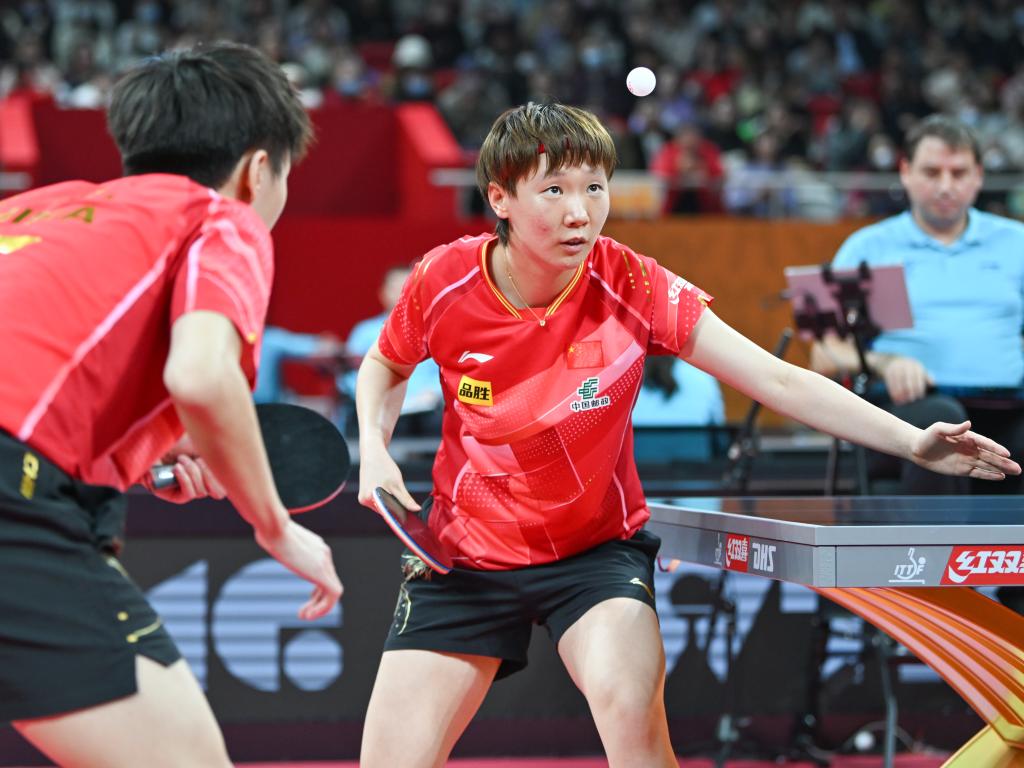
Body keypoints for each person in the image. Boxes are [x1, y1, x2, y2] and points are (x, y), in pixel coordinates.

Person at [354, 102, 1018, 768]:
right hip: (464, 559)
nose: (579, 212)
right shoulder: (444, 279)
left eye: (594, 188)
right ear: (500, 197)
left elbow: (778, 379)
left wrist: (911, 440)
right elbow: (386, 365)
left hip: (592, 557)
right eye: (553, 190)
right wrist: (375, 451)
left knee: (632, 718)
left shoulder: (632, 283)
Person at [0, 42, 342, 767]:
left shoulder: (30, 209)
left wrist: (153, 446)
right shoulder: (220, 218)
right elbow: (202, 377)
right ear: (258, 169)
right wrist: (274, 526)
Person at [810, 114, 1024, 495]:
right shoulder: (866, 248)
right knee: (942, 419)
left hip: (1007, 406)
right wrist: (884, 363)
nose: (945, 186)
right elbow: (822, 354)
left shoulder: (1016, 243)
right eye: (932, 172)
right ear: (905, 172)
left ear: (979, 176)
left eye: (959, 173)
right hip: (908, 414)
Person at [344, 264, 443, 434]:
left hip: (427, 412)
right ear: (383, 293)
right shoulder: (364, 332)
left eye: (407, 287)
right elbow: (348, 374)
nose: (401, 293)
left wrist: (433, 393)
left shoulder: (434, 329)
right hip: (379, 409)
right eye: (395, 287)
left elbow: (447, 371)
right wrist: (371, 397)